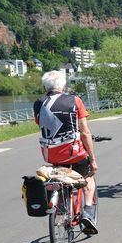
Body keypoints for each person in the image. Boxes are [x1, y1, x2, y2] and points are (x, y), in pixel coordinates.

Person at [33, 70, 99, 234]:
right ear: (63, 85)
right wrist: (93, 159)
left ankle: (62, 208)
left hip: (51, 153)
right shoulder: (74, 100)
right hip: (74, 152)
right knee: (88, 178)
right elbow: (85, 132)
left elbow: (41, 124)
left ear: (45, 86)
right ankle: (88, 213)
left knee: (60, 177)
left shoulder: (38, 103)